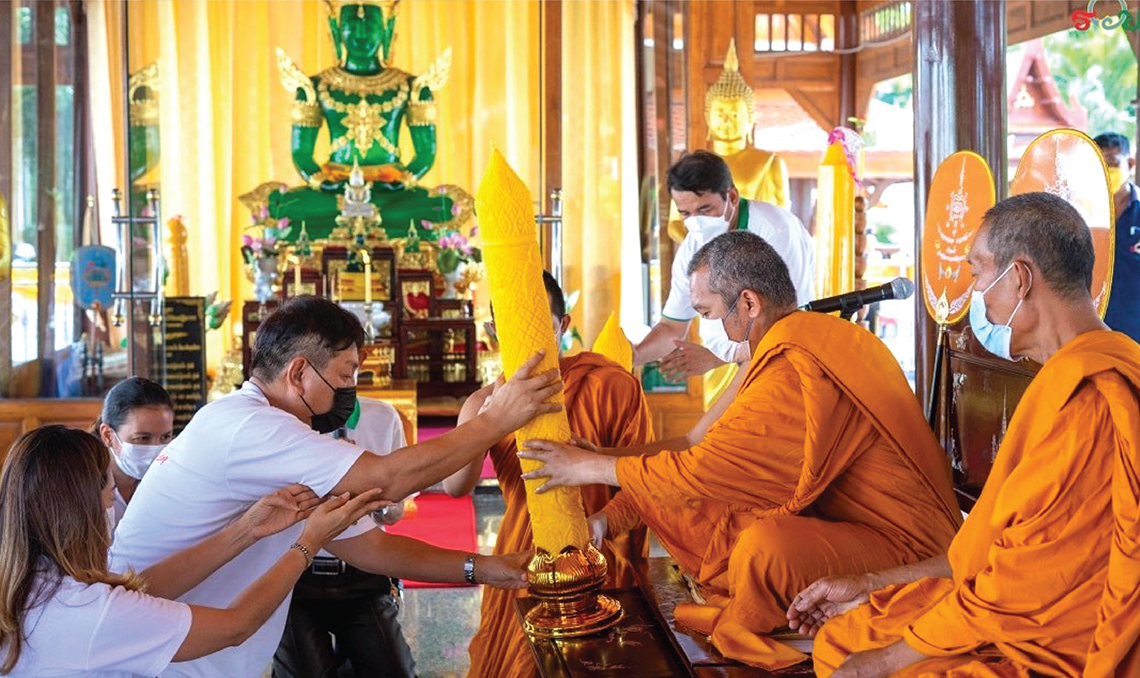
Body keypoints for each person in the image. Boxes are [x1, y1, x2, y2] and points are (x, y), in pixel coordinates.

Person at [519, 231, 960, 669]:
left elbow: (700, 471)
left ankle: (754, 623)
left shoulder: (795, 363)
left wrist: (588, 468)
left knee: (761, 547)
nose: (715, 331)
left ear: (748, 303)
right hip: (851, 526)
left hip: (907, 549)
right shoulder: (785, 344)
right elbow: (696, 440)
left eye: (710, 314)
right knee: (722, 518)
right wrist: (607, 460)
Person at [109, 295, 555, 677]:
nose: (350, 390)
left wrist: (483, 568)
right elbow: (388, 479)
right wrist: (496, 420)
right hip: (156, 652)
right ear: (299, 373)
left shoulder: (255, 426)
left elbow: (371, 549)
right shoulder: (252, 426)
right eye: (344, 375)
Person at [794, 192, 1140, 678]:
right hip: (1012, 609)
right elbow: (988, 556)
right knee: (848, 634)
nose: (976, 293)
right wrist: (872, 583)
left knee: (860, 658)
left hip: (1059, 648)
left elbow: (1018, 586)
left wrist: (885, 660)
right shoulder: (1101, 366)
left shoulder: (1090, 400)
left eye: (977, 273)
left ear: (1019, 278)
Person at [0, 425, 385, 677]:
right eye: (108, 491)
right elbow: (236, 626)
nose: (111, 504)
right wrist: (308, 543)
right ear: (81, 510)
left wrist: (247, 529)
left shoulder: (31, 583)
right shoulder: (89, 612)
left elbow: (139, 589)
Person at [445, 272, 655, 678]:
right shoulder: (483, 403)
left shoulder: (612, 386)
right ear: (494, 332)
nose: (529, 341)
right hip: (523, 563)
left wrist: (601, 523)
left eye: (541, 326)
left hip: (597, 557)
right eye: (513, 327)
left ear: (563, 325)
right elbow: (456, 487)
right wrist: (487, 422)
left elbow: (644, 482)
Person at [633, 151, 814, 407]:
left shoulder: (776, 231)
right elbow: (672, 327)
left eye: (705, 209)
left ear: (732, 197)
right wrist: (634, 355)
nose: (696, 222)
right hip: (727, 361)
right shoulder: (692, 248)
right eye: (685, 213)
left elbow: (790, 324)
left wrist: (715, 358)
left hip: (782, 363)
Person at [273, 396, 416, 678]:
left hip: (362, 574)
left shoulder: (383, 417)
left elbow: (395, 512)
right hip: (295, 577)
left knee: (395, 670)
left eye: (349, 373)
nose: (344, 381)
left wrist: (373, 497)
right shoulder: (281, 422)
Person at [94, 376, 175, 531]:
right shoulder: (83, 487)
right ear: (108, 435)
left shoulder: (171, 479)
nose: (156, 449)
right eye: (142, 438)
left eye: (165, 437)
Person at [1093, 132, 1140, 343]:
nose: (1105, 171)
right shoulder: (1081, 214)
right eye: (1100, 165)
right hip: (1093, 331)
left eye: (1112, 164)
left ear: (1130, 163)